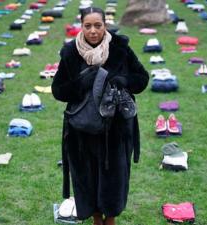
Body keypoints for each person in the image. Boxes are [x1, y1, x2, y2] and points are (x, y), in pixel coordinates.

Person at [52, 7, 149, 225]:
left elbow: (142, 78)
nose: (93, 31)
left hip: (115, 130)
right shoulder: (70, 52)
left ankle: (111, 218)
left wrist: (123, 81)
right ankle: (96, 218)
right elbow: (58, 90)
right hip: (82, 130)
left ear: (105, 25)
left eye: (98, 25)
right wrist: (80, 84)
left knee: (114, 177)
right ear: (81, 26)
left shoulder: (119, 48)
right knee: (87, 177)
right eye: (88, 26)